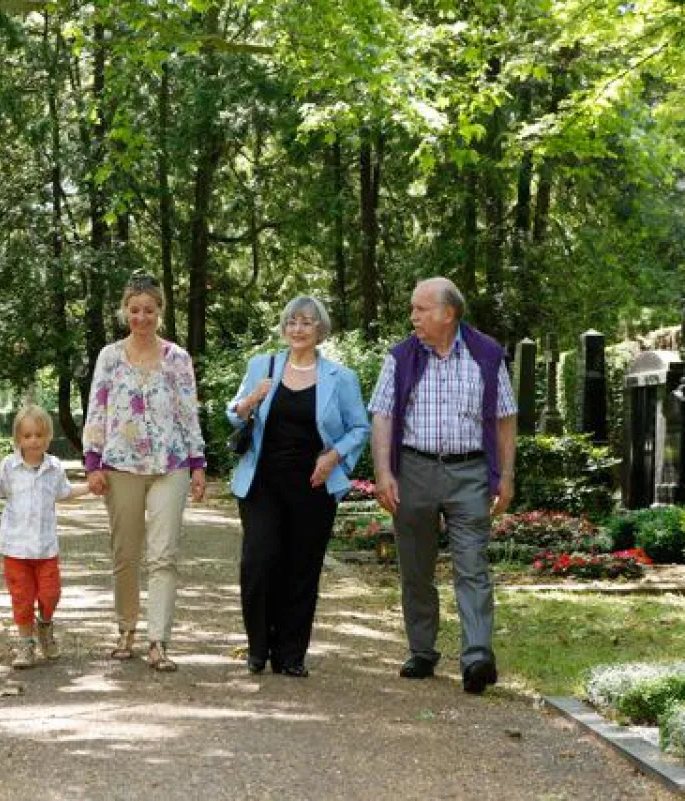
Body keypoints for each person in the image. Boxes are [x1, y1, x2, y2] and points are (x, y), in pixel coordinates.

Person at [368, 277, 517, 695]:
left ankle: (476, 657)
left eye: (421, 308)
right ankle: (421, 650)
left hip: (469, 472)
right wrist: (384, 473)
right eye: (413, 309)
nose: (412, 316)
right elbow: (382, 416)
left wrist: (505, 475)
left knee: (472, 565)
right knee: (416, 567)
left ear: (447, 313)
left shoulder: (486, 355)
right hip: (414, 470)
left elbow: (506, 417)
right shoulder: (400, 357)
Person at [227, 296, 370, 677]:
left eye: (306, 322)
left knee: (301, 568)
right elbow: (234, 412)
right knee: (258, 563)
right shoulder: (263, 365)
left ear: (320, 330)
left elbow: (359, 428)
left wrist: (334, 456)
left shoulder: (341, 378)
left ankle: (291, 654)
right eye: (292, 321)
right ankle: (259, 648)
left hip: (313, 485)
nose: (298, 329)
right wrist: (251, 399)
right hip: (261, 484)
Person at [83, 272, 206, 672]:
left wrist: (198, 462)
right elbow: (97, 408)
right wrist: (92, 460)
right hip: (121, 466)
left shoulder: (178, 359)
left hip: (170, 465)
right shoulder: (109, 356)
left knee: (164, 554)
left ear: (160, 312)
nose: (141, 317)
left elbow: (189, 411)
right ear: (125, 312)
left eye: (149, 310)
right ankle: (126, 629)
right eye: (134, 310)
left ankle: (159, 640)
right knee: (126, 552)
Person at [0, 404, 89, 669]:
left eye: (39, 435)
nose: (33, 440)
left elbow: (64, 492)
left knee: (51, 594)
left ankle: (45, 626)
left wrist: (89, 487)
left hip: (45, 548)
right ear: (18, 439)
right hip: (16, 548)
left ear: (48, 437)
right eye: (27, 436)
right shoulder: (9, 466)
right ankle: (25, 644)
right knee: (22, 598)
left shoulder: (55, 467)